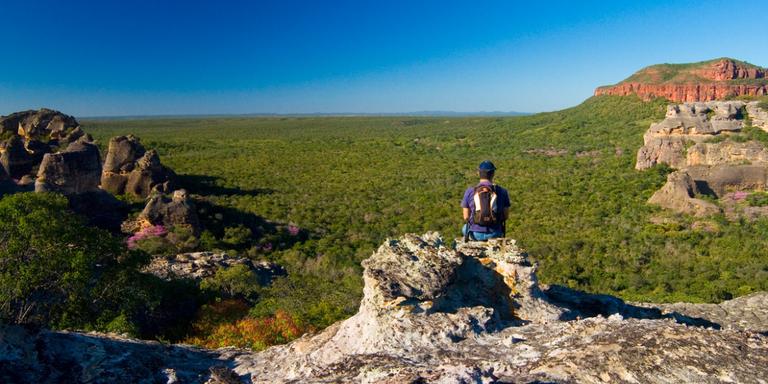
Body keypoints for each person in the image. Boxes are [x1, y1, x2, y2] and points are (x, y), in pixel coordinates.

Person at [461, 160, 511, 241]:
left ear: (478, 173)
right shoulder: (502, 191)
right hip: (494, 233)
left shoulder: (470, 191)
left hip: (475, 234)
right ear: (493, 174)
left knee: (464, 228)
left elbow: (466, 217)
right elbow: (505, 216)